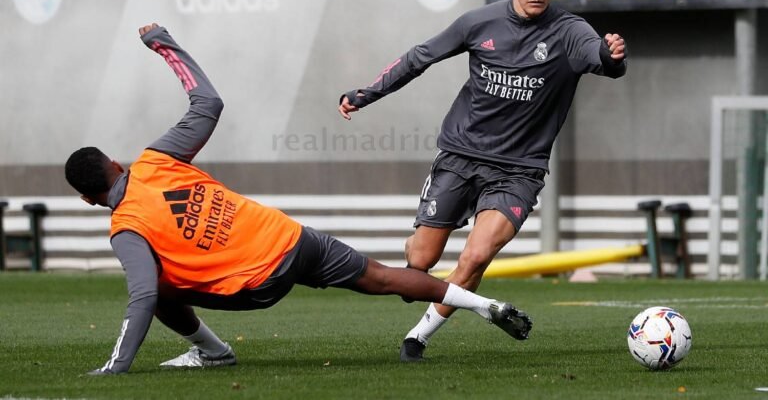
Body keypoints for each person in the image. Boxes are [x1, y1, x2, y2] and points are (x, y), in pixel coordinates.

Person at [64, 23, 533, 375]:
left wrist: (117, 366)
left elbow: (144, 294)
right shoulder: (155, 159)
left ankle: (214, 352)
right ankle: (483, 305)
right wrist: (164, 44)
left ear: (89, 199)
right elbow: (208, 103)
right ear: (118, 165)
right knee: (386, 277)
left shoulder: (125, 228)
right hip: (292, 237)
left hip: (260, 283)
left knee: (161, 288)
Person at [338, 0, 627, 362]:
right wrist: (367, 93)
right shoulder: (479, 23)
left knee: (475, 256)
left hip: (519, 172)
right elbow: (420, 57)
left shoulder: (569, 32)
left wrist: (612, 55)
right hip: (460, 156)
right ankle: (414, 263)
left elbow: (601, 60)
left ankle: (417, 338)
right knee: (421, 258)